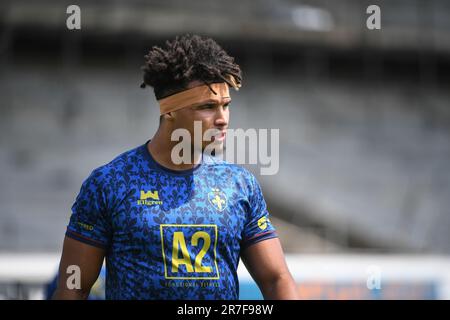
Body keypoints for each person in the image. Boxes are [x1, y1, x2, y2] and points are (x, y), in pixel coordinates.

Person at [52, 34, 298, 300]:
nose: (222, 119)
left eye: (226, 106)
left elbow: (276, 279)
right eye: (207, 107)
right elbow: (73, 289)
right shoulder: (110, 183)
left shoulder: (239, 184)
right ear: (169, 111)